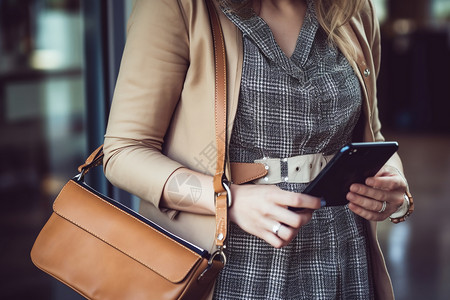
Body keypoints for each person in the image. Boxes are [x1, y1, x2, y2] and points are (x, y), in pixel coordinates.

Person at [103, 0, 414, 299]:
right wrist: (227, 200)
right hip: (228, 263)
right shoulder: (179, 6)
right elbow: (124, 152)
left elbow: (371, 135)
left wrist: (393, 187)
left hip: (343, 256)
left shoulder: (353, 9)